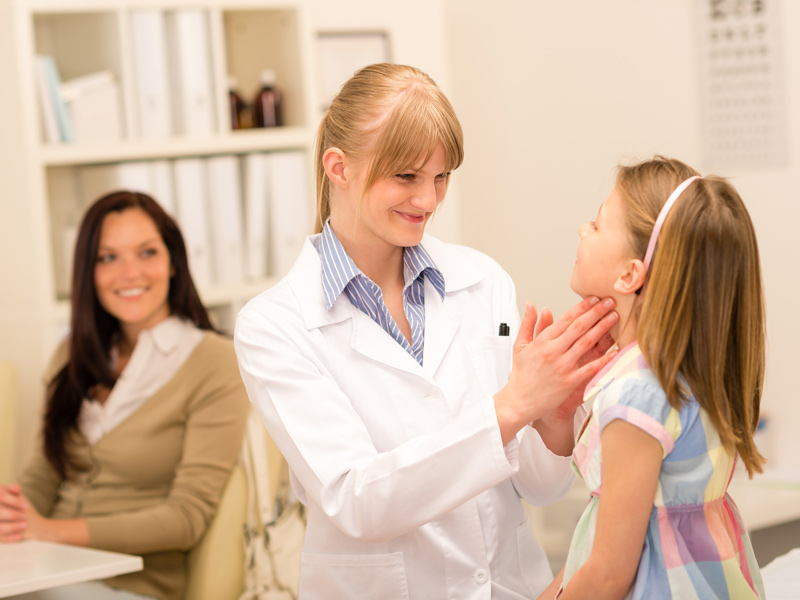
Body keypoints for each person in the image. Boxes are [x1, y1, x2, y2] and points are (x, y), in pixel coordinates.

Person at [233, 62, 619, 599]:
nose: (429, 201)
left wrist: (552, 417)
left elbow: (540, 488)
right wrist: (513, 406)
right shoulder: (274, 326)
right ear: (338, 167)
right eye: (406, 177)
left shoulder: (481, 280)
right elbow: (358, 500)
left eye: (440, 177)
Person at [0, 192, 250, 600]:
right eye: (108, 257)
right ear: (89, 272)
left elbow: (185, 518)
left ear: (173, 262)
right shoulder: (71, 355)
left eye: (147, 252)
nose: (129, 273)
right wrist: (13, 516)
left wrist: (51, 531)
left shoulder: (215, 361)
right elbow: (42, 476)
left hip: (130, 585)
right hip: (43, 570)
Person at [539, 157, 766, 599]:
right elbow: (597, 547)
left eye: (597, 225)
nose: (583, 230)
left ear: (629, 275)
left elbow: (608, 574)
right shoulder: (689, 372)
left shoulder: (635, 393)